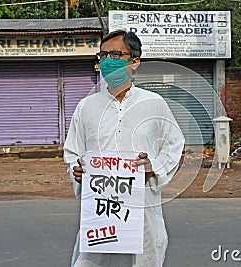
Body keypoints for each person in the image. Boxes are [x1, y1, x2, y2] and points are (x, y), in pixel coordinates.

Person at [63, 29, 185, 267]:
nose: (108, 61)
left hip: (142, 217)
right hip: (99, 220)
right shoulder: (86, 106)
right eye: (103, 55)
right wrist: (76, 172)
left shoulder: (153, 104)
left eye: (116, 55)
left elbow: (174, 145)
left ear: (134, 62)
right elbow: (73, 153)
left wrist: (153, 167)